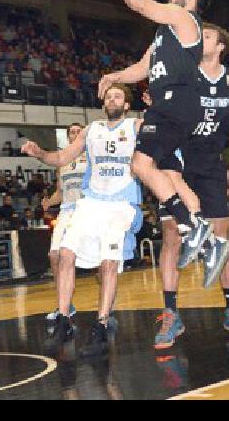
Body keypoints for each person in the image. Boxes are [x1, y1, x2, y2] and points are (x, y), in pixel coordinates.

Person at [94, 0, 216, 269]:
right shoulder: (165, 33)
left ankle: (195, 228)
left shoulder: (184, 19)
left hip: (175, 101)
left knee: (140, 165)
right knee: (167, 173)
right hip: (174, 106)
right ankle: (211, 243)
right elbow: (142, 68)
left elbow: (140, 3)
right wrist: (114, 76)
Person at [21, 84, 142, 356]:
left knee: (108, 263)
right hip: (90, 202)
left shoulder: (136, 127)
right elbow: (62, 157)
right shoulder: (91, 130)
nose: (112, 99)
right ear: (103, 103)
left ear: (126, 105)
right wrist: (40, 153)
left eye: (118, 96)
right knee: (65, 254)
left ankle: (101, 324)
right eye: (108, 95)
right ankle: (64, 319)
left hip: (120, 204)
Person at [154, 23, 229, 349]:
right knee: (171, 237)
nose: (199, 40)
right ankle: (170, 313)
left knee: (222, 237)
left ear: (221, 45)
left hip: (211, 164)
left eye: (206, 37)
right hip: (177, 161)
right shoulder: (182, 71)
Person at [41, 122, 86, 322]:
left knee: (100, 261)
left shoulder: (91, 156)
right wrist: (49, 202)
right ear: (68, 137)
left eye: (78, 131)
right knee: (54, 255)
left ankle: (107, 306)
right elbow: (60, 192)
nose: (75, 135)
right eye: (72, 132)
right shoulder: (62, 162)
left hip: (86, 209)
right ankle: (65, 305)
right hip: (67, 210)